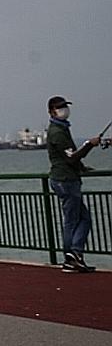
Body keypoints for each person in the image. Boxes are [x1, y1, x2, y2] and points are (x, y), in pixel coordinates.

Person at [46, 95, 103, 272]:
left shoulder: (62, 129)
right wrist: (89, 144)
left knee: (81, 219)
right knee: (73, 220)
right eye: (60, 107)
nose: (64, 110)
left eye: (65, 106)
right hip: (66, 181)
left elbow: (69, 157)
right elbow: (71, 158)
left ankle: (74, 255)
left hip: (65, 178)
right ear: (51, 111)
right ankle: (72, 257)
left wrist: (81, 167)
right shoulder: (57, 132)